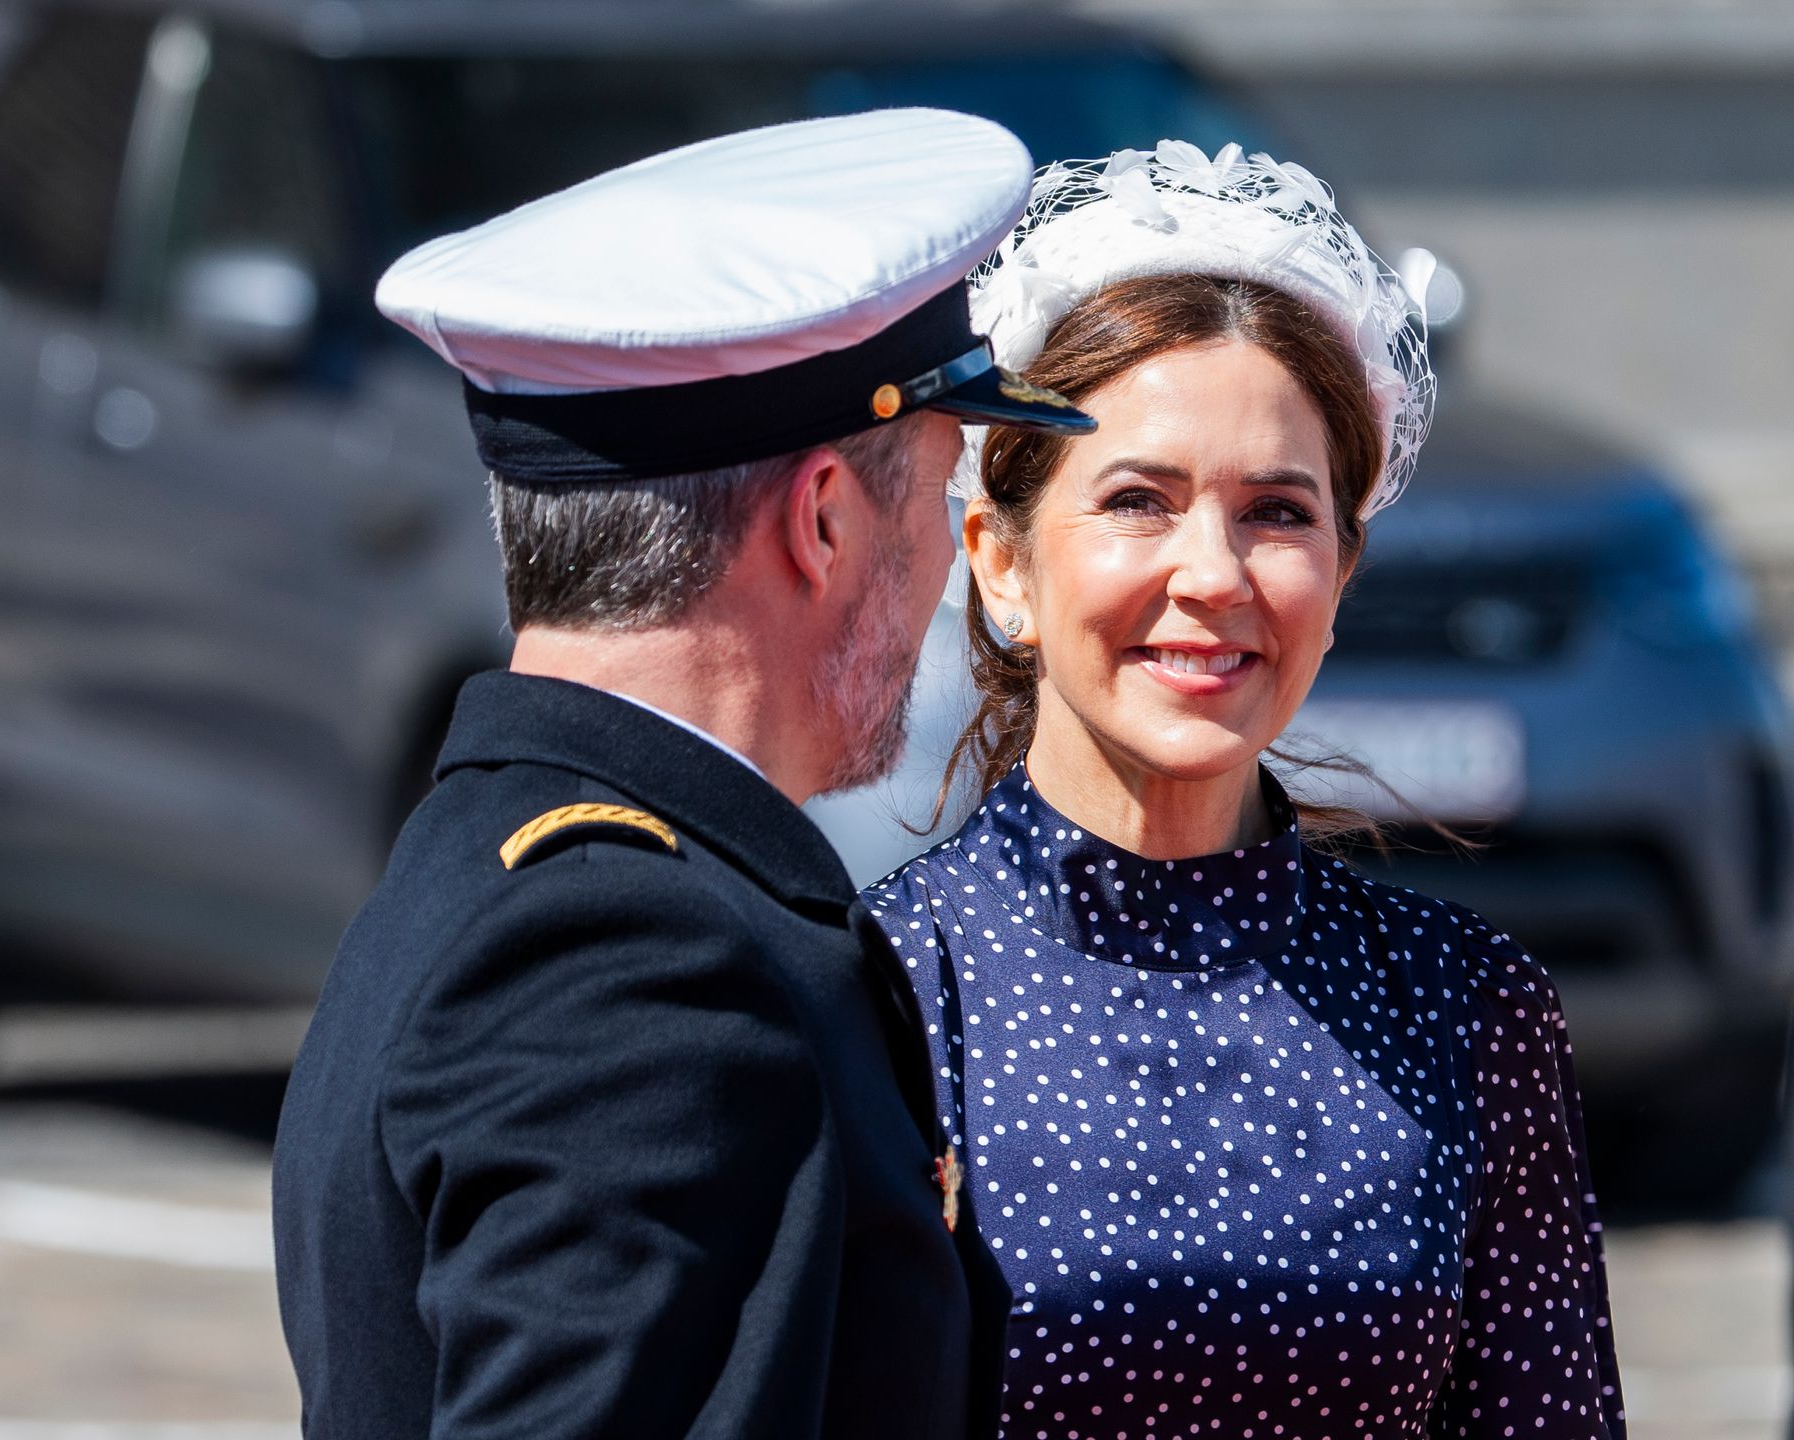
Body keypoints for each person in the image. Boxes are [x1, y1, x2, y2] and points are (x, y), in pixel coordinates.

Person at [270, 109, 1098, 1440]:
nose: (953, 570)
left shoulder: (496, 866)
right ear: (826, 517)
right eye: (940, 499)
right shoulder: (629, 960)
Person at [866, 142, 1624, 1439]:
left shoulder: (1469, 1012)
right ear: (999, 560)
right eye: (1138, 501)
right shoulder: (873, 995)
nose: (1213, 574)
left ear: (1341, 573)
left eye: (1277, 512)